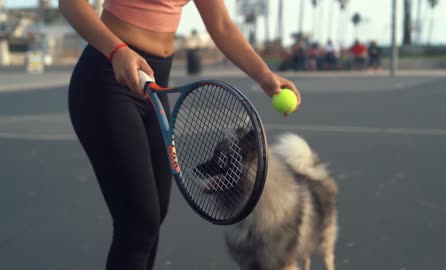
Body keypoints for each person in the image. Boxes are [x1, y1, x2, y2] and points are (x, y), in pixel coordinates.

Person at [58, 1, 301, 270]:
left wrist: (264, 75)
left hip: (154, 87)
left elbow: (220, 25)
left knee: (153, 218)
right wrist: (116, 50)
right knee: (139, 222)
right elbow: (70, 4)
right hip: (107, 77)